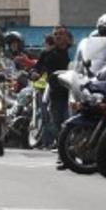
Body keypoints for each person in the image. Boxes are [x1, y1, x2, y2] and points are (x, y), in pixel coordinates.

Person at [32, 27, 72, 159]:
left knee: (69, 123)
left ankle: (70, 152)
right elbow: (38, 68)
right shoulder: (47, 54)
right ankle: (63, 155)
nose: (58, 37)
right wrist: (34, 74)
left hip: (72, 95)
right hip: (55, 94)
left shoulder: (74, 53)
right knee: (56, 124)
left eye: (61, 34)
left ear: (67, 37)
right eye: (56, 34)